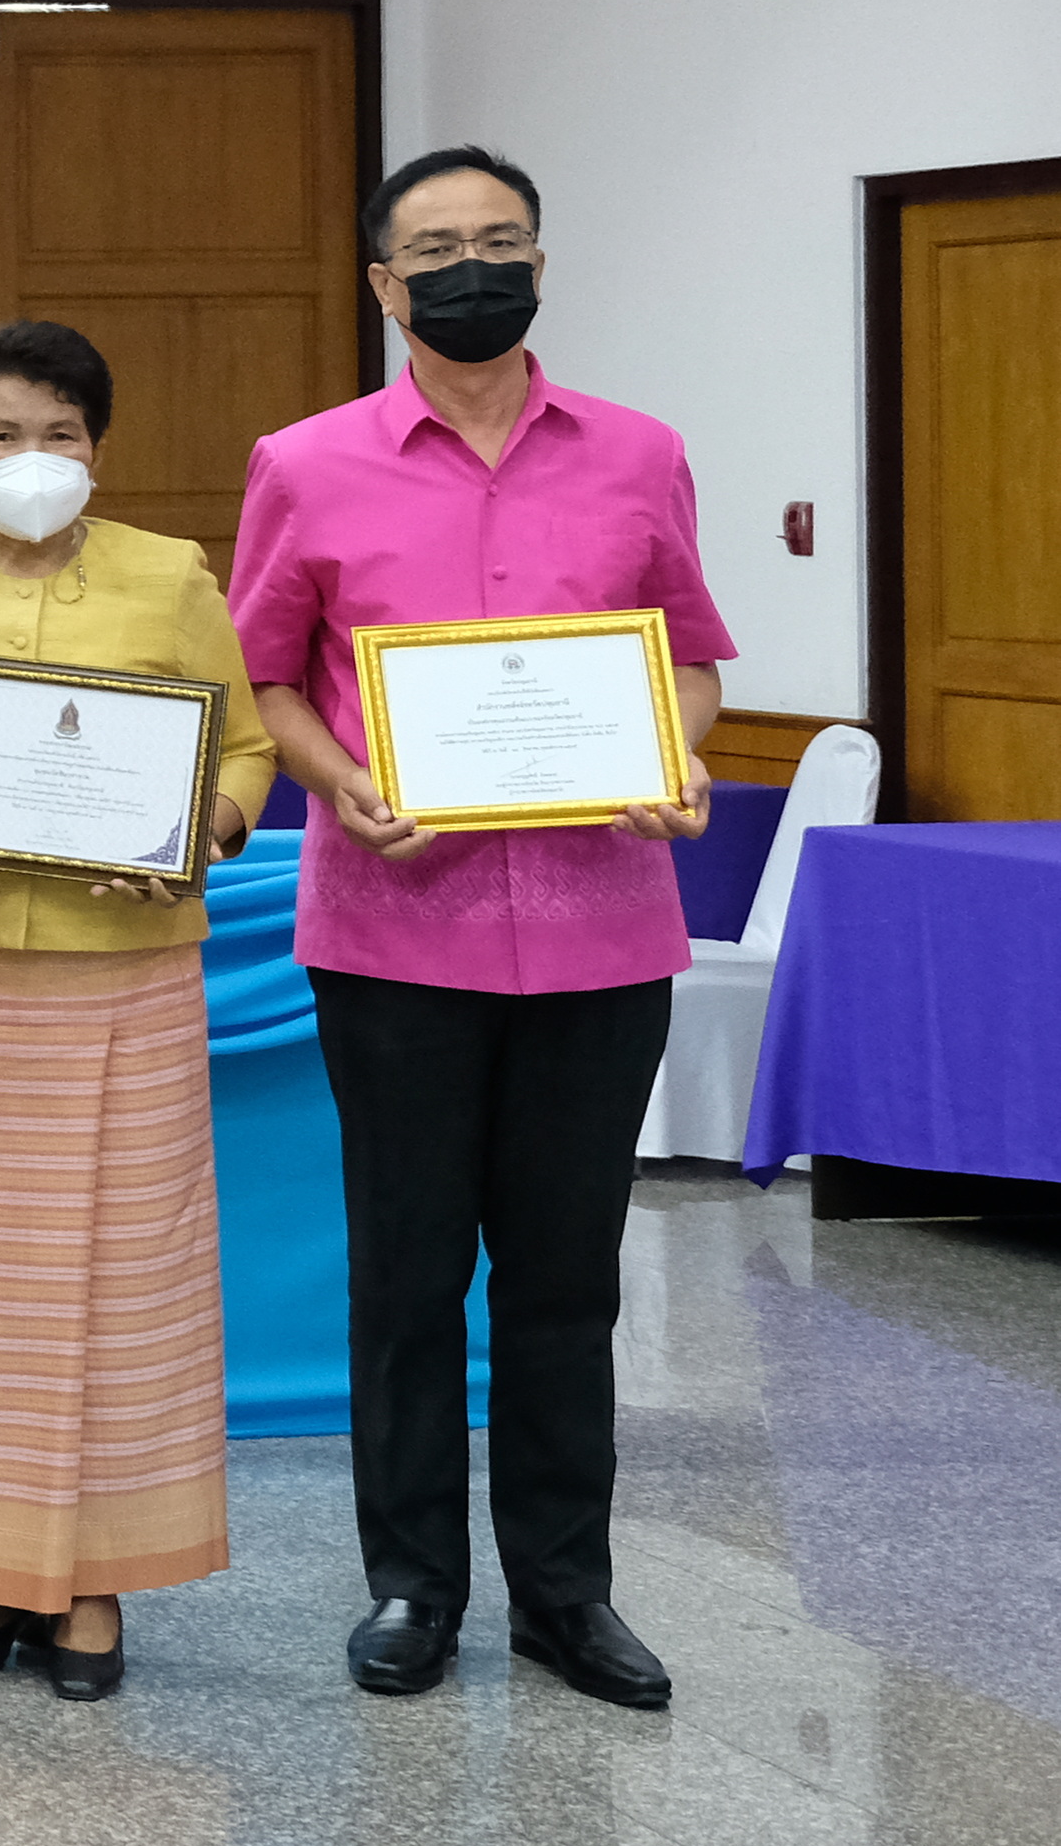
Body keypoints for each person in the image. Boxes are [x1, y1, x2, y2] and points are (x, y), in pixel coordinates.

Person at [228, 145, 731, 1712]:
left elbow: (694, 655)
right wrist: (342, 777)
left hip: (601, 933)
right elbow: (264, 678)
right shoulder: (306, 463)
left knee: (569, 1277)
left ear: (538, 261)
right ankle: (413, 1585)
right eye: (435, 246)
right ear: (382, 284)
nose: (471, 265)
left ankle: (567, 1594)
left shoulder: (640, 454)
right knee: (406, 1272)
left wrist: (679, 751)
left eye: (499, 238)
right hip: (392, 929)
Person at [0, 320, 276, 1702]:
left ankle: (91, 1584)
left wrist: (200, 820)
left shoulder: (170, 573)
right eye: (6, 435)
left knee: (120, 1277)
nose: (36, 459)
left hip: (123, 966)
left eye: (64, 435)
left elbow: (244, 742)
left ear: (99, 449)